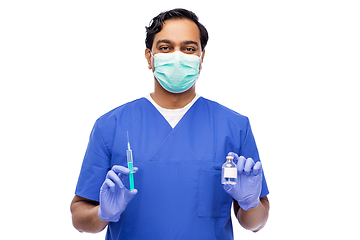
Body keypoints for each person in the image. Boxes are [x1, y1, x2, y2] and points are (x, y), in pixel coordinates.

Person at [70, 8, 269, 240]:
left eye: (188, 48)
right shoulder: (111, 126)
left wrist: (250, 202)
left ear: (201, 57)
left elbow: (255, 223)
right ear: (149, 57)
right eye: (165, 48)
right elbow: (79, 217)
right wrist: (103, 213)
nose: (177, 56)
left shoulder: (234, 126)